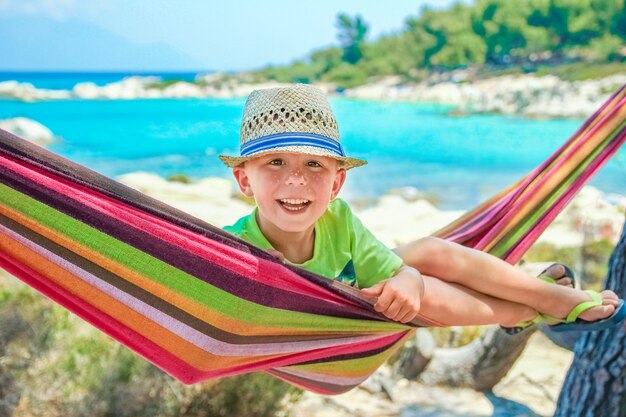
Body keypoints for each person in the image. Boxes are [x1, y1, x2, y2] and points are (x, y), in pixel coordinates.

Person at [220, 83, 626, 332]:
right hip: (339, 318)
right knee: (412, 296)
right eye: (275, 162)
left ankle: (543, 299)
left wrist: (409, 280)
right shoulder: (230, 249)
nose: (296, 179)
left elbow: (398, 272)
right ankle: (529, 309)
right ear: (244, 181)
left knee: (430, 253)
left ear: (337, 184)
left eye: (314, 164)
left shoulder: (339, 220)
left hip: (363, 291)